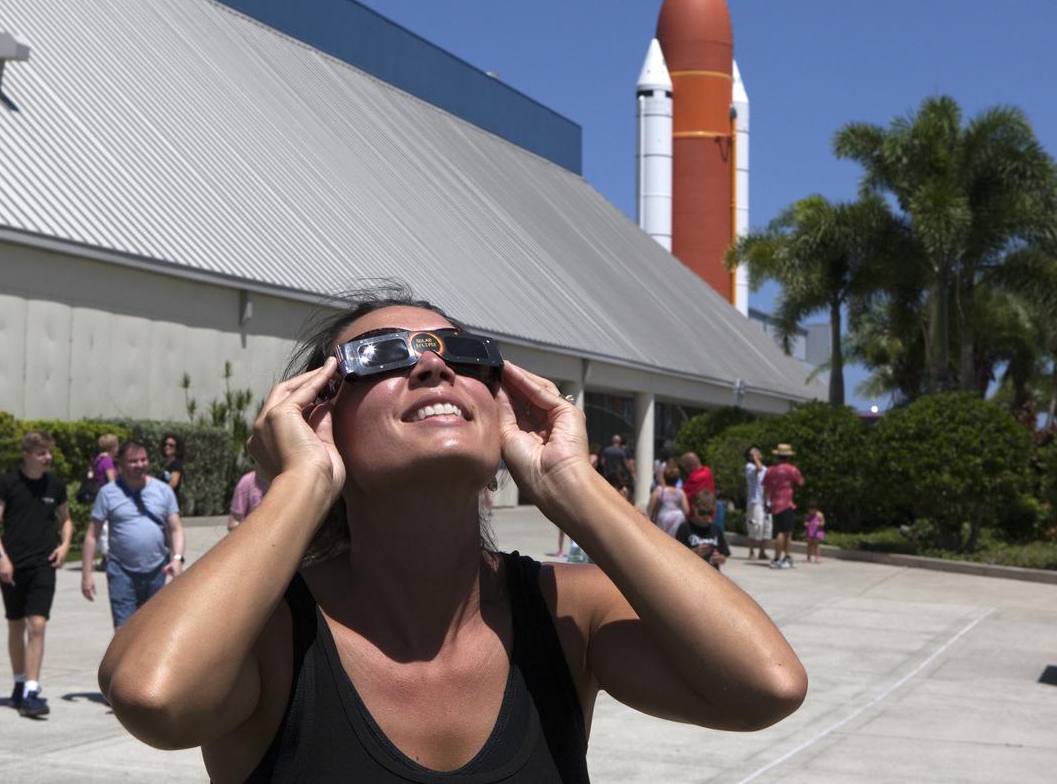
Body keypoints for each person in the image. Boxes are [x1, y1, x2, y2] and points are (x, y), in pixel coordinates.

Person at [96, 290, 806, 781]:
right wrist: (301, 485)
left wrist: (572, 484)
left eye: (462, 353)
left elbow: (765, 686)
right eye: (380, 357)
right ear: (318, 417)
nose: (433, 364)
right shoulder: (276, 637)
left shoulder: (568, 615)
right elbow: (153, 694)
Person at [0, 430, 72, 719]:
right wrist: (1, 558)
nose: (48, 458)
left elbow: (67, 520)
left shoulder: (55, 486)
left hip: (44, 564)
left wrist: (65, 545)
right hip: (12, 566)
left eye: (49, 453)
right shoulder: (8, 483)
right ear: (27, 455)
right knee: (15, 625)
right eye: (42, 453)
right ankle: (19, 683)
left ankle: (32, 690)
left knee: (37, 625)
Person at [81, 439, 186, 628]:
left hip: (156, 571)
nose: (140, 465)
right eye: (133, 461)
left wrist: (177, 559)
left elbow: (175, 528)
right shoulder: (108, 493)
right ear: (119, 465)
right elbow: (91, 535)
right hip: (121, 572)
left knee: (152, 630)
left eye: (143, 460)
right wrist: (86, 575)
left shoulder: (163, 491)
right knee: (124, 631)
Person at [763, 443, 805, 570]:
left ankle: (781, 557)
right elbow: (801, 482)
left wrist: (766, 503)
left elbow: (765, 487)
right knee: (786, 532)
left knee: (779, 531)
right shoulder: (792, 469)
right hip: (787, 504)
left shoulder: (770, 470)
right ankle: (780, 558)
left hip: (775, 504)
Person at [674, 490, 732, 571]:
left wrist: (719, 558)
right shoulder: (685, 528)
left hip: (712, 575)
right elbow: (676, 555)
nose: (706, 516)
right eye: (702, 512)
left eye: (709, 512)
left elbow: (724, 556)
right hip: (690, 574)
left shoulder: (716, 530)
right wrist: (695, 552)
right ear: (694, 507)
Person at [91, 433, 119, 568]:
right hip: (108, 498)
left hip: (99, 497)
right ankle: (108, 559)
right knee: (107, 529)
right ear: (112, 446)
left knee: (103, 529)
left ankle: (104, 558)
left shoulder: (98, 459)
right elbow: (111, 479)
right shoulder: (107, 460)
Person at [646, 460, 688, 537]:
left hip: (661, 521)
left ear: (664, 477)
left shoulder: (658, 490)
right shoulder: (681, 493)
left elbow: (649, 512)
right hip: (677, 522)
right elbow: (686, 510)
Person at [744, 446, 771, 560]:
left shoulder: (766, 469)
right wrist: (755, 457)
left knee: (766, 527)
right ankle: (751, 552)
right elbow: (758, 468)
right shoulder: (749, 466)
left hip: (766, 502)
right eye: (754, 453)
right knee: (754, 526)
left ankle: (762, 552)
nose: (757, 453)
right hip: (754, 502)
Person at [160, 434, 185, 512]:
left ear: (177, 448)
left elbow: (173, 483)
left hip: (170, 501)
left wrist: (162, 496)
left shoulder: (176, 464)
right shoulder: (165, 463)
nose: (167, 447)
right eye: (165, 444)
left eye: (171, 445)